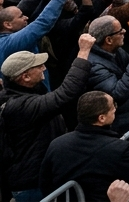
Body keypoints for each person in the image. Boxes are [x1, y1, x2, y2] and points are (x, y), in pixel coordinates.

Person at [0, 38, 95, 202]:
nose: (44, 67)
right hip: (31, 186)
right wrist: (83, 52)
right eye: (38, 66)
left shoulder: (26, 93)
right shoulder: (20, 106)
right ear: (25, 77)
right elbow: (65, 94)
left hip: (40, 179)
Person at [39, 92, 129, 201]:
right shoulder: (119, 149)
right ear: (101, 118)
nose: (115, 108)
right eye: (112, 107)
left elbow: (46, 182)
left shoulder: (57, 144)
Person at [86, 15, 129, 134]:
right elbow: (117, 93)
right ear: (109, 40)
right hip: (116, 125)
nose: (124, 31)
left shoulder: (117, 52)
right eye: (120, 31)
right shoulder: (94, 65)